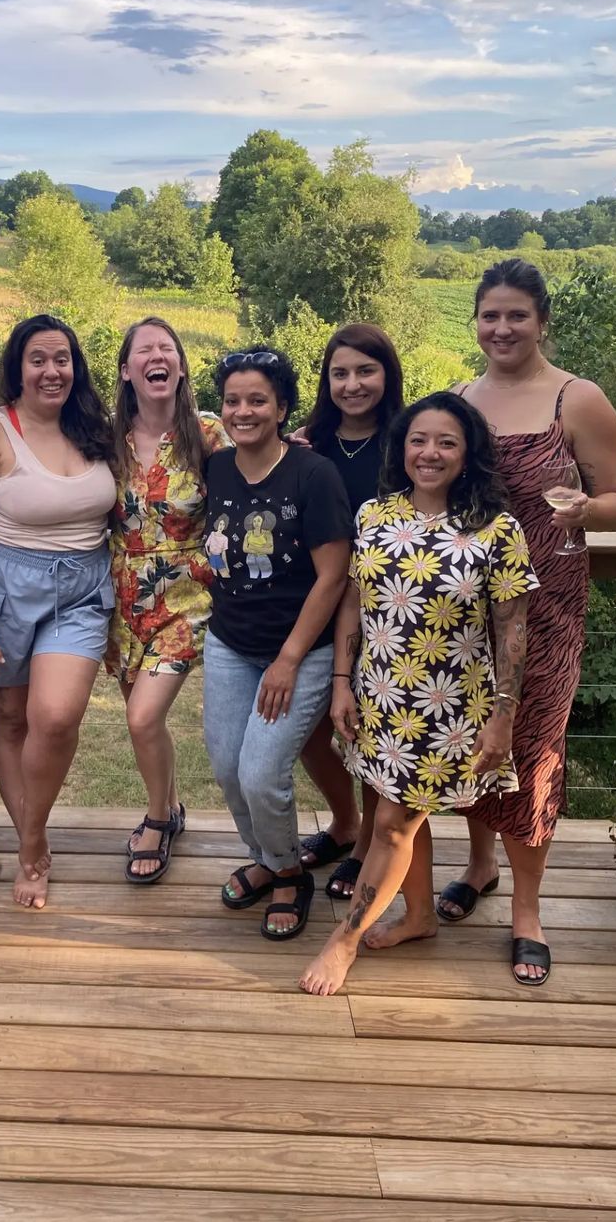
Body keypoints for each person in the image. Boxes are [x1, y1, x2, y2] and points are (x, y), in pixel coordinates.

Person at [300, 392, 538, 996]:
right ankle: (420, 916)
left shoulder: (496, 528)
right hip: (379, 699)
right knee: (398, 813)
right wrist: (340, 684)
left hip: (450, 711)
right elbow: (353, 603)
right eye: (418, 440)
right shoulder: (374, 515)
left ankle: (344, 940)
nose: (430, 453)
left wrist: (504, 716)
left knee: (391, 826)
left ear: (468, 453)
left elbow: (513, 629)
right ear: (401, 448)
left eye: (446, 442)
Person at [437, 258, 616, 984]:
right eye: (490, 315)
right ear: (476, 321)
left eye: (517, 315)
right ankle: (479, 866)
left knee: (535, 749)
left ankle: (527, 910)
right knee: (473, 742)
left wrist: (585, 510)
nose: (502, 328)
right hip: (468, 608)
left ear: (542, 322)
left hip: (547, 609)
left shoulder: (577, 400)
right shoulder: (461, 399)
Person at [0, 315, 117, 909]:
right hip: (6, 590)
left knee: (56, 716)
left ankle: (32, 833)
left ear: (76, 366)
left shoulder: (94, 425)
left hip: (82, 591)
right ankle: (31, 844)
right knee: (9, 717)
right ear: (17, 368)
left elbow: (166, 442)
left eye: (62, 359)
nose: (52, 371)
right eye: (38, 360)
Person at [203, 348, 352, 940]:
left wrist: (288, 659)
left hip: (301, 651)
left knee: (262, 774)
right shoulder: (217, 468)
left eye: (257, 400)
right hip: (229, 643)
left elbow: (333, 576)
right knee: (227, 768)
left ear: (282, 408)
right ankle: (271, 859)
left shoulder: (313, 475)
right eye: (232, 401)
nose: (243, 411)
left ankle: (291, 875)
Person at [106, 317, 228, 883]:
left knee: (141, 716)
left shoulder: (208, 433)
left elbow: (258, 471)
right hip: (121, 595)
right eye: (144, 350)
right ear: (126, 371)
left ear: (180, 365)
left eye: (167, 348)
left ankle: (157, 819)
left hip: (186, 593)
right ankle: (172, 806)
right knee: (143, 721)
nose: (157, 356)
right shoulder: (106, 439)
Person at [296, 324, 405, 900]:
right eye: (340, 373)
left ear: (387, 375)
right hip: (313, 599)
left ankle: (364, 847)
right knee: (308, 729)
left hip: (386, 609)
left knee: (370, 734)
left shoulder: (407, 441)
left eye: (366, 370)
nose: (353, 384)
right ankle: (345, 822)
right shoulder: (307, 442)